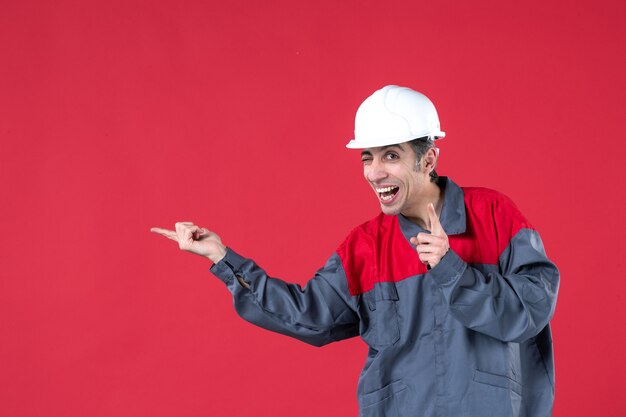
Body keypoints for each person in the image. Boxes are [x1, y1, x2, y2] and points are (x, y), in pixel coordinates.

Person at [151, 85, 559, 417]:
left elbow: (534, 309)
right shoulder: (365, 247)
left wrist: (453, 271)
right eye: (368, 158)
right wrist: (223, 259)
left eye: (392, 156)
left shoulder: (493, 215)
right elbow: (309, 317)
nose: (375, 172)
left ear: (428, 158)